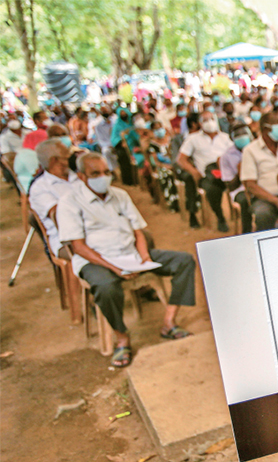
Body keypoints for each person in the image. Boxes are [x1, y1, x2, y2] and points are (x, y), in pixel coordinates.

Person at [57, 153, 197, 367]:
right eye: (95, 173)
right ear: (82, 176)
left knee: (184, 261)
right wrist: (114, 268)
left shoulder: (120, 195)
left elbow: (138, 231)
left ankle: (169, 322)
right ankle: (121, 337)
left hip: (130, 254)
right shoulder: (69, 202)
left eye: (106, 172)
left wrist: (144, 257)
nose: (103, 177)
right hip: (96, 260)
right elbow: (78, 247)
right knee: (105, 287)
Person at [177, 110, 234, 231]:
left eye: (212, 119)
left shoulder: (225, 137)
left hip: (225, 172)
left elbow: (234, 155)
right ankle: (220, 217)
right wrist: (194, 172)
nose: (210, 123)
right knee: (212, 189)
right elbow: (181, 159)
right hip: (206, 175)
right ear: (200, 123)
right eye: (205, 120)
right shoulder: (193, 139)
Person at [29, 139, 82, 258]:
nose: (71, 156)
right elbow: (61, 216)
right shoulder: (40, 188)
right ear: (54, 160)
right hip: (66, 241)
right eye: (66, 154)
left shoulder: (79, 177)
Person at [241, 112, 278, 232]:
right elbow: (251, 185)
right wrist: (276, 201)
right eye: (277, 124)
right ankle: (266, 242)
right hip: (265, 197)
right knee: (263, 214)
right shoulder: (250, 150)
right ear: (265, 129)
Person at [218, 121, 254, 233]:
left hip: (261, 185)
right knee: (245, 200)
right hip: (240, 190)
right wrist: (240, 173)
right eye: (237, 134)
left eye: (244, 133)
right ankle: (247, 233)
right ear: (232, 138)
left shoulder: (258, 150)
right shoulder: (226, 156)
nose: (241, 136)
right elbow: (230, 186)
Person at [110, 107, 137, 185]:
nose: (123, 114)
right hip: (122, 146)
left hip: (133, 144)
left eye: (124, 113)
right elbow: (114, 137)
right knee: (124, 160)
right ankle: (128, 181)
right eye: (121, 113)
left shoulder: (132, 122)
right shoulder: (117, 125)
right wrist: (121, 141)